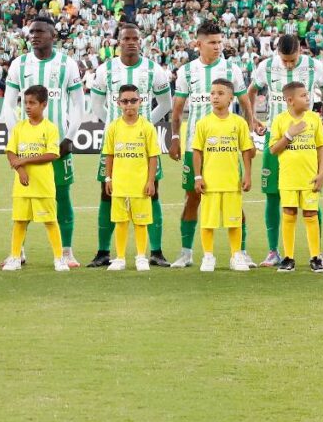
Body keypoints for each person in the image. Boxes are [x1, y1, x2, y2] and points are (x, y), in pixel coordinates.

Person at [168, 20, 252, 268]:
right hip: (196, 146)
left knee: (234, 198)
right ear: (199, 44)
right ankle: (186, 252)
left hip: (226, 148)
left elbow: (246, 106)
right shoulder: (186, 71)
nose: (218, 47)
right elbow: (177, 110)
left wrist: (251, 136)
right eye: (212, 42)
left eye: (220, 42)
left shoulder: (232, 70)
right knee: (192, 197)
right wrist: (174, 138)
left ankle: (241, 252)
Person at [3, 16, 85, 268]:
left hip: (57, 145)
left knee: (62, 195)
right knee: (24, 200)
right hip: (26, 146)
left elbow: (78, 102)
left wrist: (69, 136)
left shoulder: (67, 64)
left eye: (40, 31)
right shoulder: (19, 64)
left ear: (53, 35)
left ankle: (66, 251)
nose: (34, 35)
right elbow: (8, 103)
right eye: (31, 32)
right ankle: (19, 252)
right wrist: (14, 137)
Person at [87, 23, 172, 267]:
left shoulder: (154, 70)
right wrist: (118, 128)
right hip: (115, 144)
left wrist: (143, 126)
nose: (131, 41)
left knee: (152, 192)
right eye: (126, 38)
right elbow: (96, 106)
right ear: (118, 41)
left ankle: (155, 251)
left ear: (141, 40)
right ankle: (104, 252)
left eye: (135, 38)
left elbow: (164, 104)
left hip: (144, 144)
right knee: (107, 194)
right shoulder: (105, 70)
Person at [247, 33, 323, 267]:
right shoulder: (265, 67)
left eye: (292, 59)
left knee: (312, 196)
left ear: (300, 51)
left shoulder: (314, 66)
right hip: (277, 138)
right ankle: (274, 251)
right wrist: (253, 118)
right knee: (273, 196)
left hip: (305, 136)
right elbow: (251, 92)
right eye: (284, 60)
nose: (288, 64)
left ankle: (318, 252)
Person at [192, 78, 255, 272]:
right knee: (208, 222)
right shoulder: (203, 123)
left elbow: (246, 150)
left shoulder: (239, 123)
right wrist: (198, 176)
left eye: (220, 93)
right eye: (212, 93)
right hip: (210, 182)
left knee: (234, 221)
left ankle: (236, 255)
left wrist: (247, 175)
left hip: (231, 182)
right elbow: (197, 151)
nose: (215, 97)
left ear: (231, 98)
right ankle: (208, 256)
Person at [2, 85, 66, 272]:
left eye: (32, 103)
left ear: (43, 105)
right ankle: (15, 257)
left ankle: (59, 258)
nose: (27, 107)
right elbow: (11, 152)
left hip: (43, 185)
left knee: (50, 221)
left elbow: (52, 154)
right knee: (20, 221)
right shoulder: (19, 128)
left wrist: (26, 159)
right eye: (25, 103)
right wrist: (21, 170)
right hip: (22, 186)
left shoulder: (50, 128)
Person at [102, 84, 161, 272]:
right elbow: (109, 155)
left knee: (141, 222)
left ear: (140, 102)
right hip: (119, 184)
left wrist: (151, 181)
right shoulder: (113, 127)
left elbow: (152, 156)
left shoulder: (147, 127)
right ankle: (119, 258)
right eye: (125, 101)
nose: (129, 105)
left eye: (133, 100)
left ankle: (141, 257)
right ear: (118, 103)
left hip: (140, 185)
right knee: (120, 221)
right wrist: (108, 179)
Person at [269, 82, 323, 273]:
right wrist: (288, 135)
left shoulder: (314, 119)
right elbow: (273, 150)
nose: (308, 98)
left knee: (311, 214)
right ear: (290, 100)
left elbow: (321, 147)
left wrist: (321, 173)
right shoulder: (280, 120)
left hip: (309, 178)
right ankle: (288, 258)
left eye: (308, 95)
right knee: (289, 214)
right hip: (288, 178)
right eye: (303, 96)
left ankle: (316, 257)